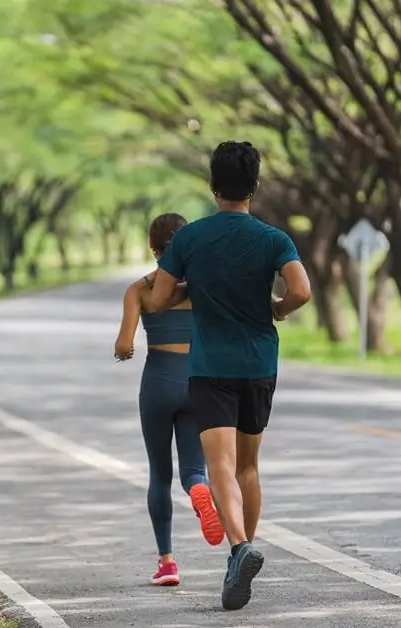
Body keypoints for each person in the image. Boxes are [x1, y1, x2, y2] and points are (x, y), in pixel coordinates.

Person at [138, 141, 312, 610]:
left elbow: (157, 301)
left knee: (218, 466)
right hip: (259, 364)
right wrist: (277, 307)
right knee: (248, 467)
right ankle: (242, 552)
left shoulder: (190, 240)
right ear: (255, 187)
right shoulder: (274, 238)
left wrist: (166, 289)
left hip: (210, 367)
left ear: (213, 187)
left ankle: (239, 548)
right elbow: (301, 290)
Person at [114, 212, 226, 588]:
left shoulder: (139, 290)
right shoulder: (202, 285)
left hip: (159, 381)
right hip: (196, 380)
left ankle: (167, 562)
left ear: (152, 246)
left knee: (159, 474)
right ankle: (198, 490)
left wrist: (124, 349)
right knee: (194, 471)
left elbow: (124, 345)